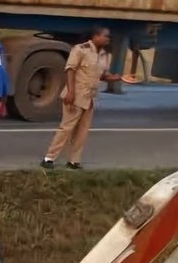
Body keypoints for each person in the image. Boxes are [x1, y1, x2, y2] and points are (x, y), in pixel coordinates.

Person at [40, 26, 121, 169]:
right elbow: (70, 70)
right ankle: (49, 158)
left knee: (82, 131)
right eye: (105, 36)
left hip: (90, 98)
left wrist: (113, 78)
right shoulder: (80, 49)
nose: (108, 39)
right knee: (66, 128)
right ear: (96, 36)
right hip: (76, 95)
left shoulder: (104, 55)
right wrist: (70, 92)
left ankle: (74, 161)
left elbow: (101, 75)